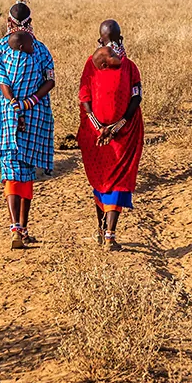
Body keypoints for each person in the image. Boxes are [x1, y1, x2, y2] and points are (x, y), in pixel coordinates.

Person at [0, 0, 56, 250]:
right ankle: (22, 228)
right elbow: (50, 82)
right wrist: (30, 102)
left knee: (11, 170)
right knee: (26, 172)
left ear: (8, 22)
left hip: (5, 112)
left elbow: (3, 81)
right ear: (30, 23)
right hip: (34, 113)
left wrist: (15, 103)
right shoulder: (41, 50)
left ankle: (17, 228)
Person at [77, 19, 144, 251]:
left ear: (100, 39)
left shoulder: (90, 64)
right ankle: (109, 235)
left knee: (102, 178)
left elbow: (84, 97)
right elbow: (137, 98)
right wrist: (117, 126)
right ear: (120, 37)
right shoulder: (130, 67)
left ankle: (101, 230)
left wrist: (99, 127)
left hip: (96, 134)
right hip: (123, 132)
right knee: (118, 179)